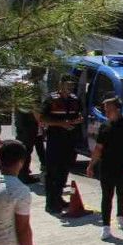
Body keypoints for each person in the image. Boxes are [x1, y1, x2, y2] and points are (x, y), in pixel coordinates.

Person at [87, 96, 123, 239]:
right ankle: (106, 227)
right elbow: (98, 148)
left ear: (118, 109)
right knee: (106, 196)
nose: (106, 112)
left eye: (109, 109)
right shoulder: (105, 127)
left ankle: (121, 217)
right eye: (105, 110)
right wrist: (91, 165)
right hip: (107, 167)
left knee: (122, 193)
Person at [38, 76, 82, 213]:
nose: (70, 88)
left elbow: (79, 115)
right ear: (60, 84)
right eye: (67, 85)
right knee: (52, 173)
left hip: (69, 142)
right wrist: (61, 124)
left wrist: (77, 121)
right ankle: (51, 203)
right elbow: (42, 118)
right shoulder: (51, 99)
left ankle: (58, 198)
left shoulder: (75, 100)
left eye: (72, 85)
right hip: (55, 142)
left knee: (64, 172)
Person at [13, 70, 46, 184]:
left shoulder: (21, 85)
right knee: (27, 150)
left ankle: (21, 171)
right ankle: (24, 175)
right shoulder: (34, 88)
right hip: (29, 123)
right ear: (39, 74)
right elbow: (35, 107)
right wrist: (41, 122)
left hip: (20, 120)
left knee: (23, 148)